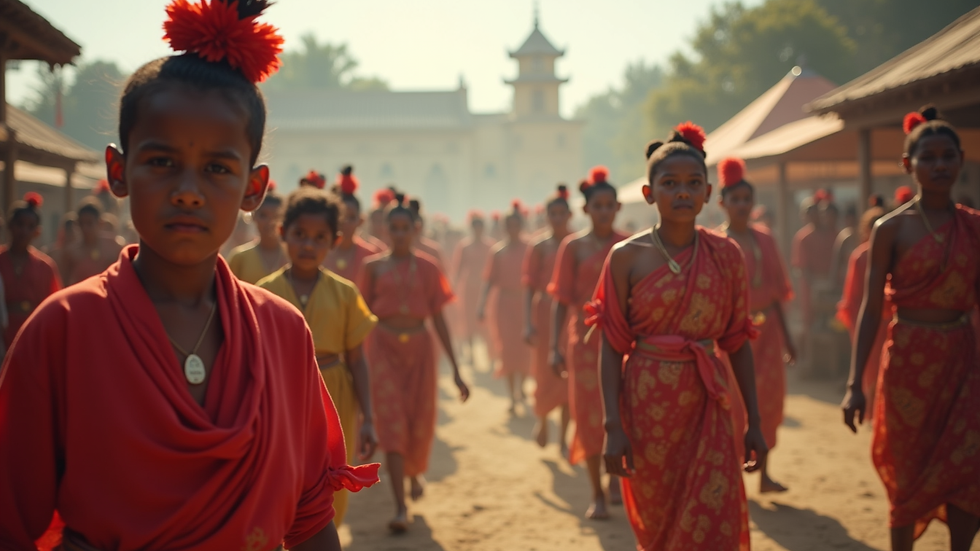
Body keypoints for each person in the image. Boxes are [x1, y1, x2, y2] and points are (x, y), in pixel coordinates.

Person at [0, 2, 380, 549]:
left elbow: (310, 518)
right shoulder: (62, 329)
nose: (187, 190)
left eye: (218, 169)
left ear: (254, 187)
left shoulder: (282, 332)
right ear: (117, 171)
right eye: (160, 161)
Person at [593, 123, 767, 551]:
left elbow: (737, 342)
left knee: (713, 515)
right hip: (648, 408)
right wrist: (613, 427)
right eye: (669, 183)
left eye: (693, 183)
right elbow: (612, 346)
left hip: (709, 403)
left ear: (709, 193)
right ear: (649, 193)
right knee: (660, 522)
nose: (682, 192)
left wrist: (755, 423)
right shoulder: (625, 258)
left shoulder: (726, 255)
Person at [842, 106, 980, 551]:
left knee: (969, 468)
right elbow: (869, 309)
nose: (939, 165)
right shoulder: (890, 230)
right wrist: (853, 384)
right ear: (909, 165)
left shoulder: (975, 228)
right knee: (906, 470)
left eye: (948, 156)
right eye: (928, 157)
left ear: (961, 160)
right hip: (907, 363)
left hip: (964, 362)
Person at [258, 187, 379, 527]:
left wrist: (368, 417)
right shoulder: (263, 292)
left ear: (335, 240)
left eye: (319, 238)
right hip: (280, 396)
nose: (308, 245)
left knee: (330, 482)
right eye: (299, 235)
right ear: (283, 233)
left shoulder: (344, 292)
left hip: (336, 396)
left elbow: (357, 359)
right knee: (281, 479)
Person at [359, 196, 470, 533]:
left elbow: (439, 318)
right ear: (385, 230)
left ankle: (413, 473)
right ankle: (400, 505)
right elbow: (361, 317)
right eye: (393, 228)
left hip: (421, 349)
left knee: (419, 420)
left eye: (405, 228)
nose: (399, 234)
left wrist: (457, 370)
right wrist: (356, 365)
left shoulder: (428, 267)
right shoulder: (373, 268)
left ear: (416, 229)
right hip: (383, 350)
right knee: (391, 424)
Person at [549, 166, 627, 520]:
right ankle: (596, 491)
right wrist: (554, 346)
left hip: (623, 344)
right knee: (589, 417)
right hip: (582, 346)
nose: (604, 211)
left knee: (621, 414)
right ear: (586, 209)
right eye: (598, 205)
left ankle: (616, 481)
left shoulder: (628, 247)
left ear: (617, 208)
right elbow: (561, 300)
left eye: (610, 205)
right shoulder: (573, 247)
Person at [717, 157, 795, 494]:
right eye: (735, 200)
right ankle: (734, 473)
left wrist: (789, 338)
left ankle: (764, 474)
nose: (742, 206)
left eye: (747, 199)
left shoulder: (766, 238)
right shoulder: (716, 243)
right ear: (722, 203)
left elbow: (778, 289)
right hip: (733, 336)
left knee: (769, 401)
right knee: (734, 401)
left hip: (769, 331)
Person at [523, 185, 572, 452]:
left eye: (561, 213)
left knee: (568, 375)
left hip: (569, 316)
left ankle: (563, 435)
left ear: (570, 214)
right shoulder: (539, 246)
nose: (557, 218)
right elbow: (529, 286)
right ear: (546, 216)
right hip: (544, 315)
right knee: (544, 372)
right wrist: (528, 322)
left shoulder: (576, 244)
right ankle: (542, 421)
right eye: (552, 213)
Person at [478, 201, 531, 413]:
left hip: (525, 304)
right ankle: (512, 396)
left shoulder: (530, 249)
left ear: (521, 225)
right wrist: (481, 305)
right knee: (508, 350)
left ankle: (523, 386)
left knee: (525, 349)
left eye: (516, 224)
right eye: (509, 225)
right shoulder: (498, 252)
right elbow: (489, 280)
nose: (513, 229)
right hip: (504, 306)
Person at [836, 206, 888, 418]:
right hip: (868, 321)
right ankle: (874, 413)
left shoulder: (896, 253)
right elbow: (853, 296)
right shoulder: (860, 256)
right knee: (870, 367)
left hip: (891, 324)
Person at [0, 193, 62, 351]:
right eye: (19, 224)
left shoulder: (45, 266)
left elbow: (54, 307)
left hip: (33, 332)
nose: (24, 230)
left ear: (37, 232)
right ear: (10, 225)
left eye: (30, 226)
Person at [324, 166, 381, 288]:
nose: (345, 224)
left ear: (360, 221)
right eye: (341, 217)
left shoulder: (372, 255)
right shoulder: (321, 253)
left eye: (351, 218)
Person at [452, 210, 493, 364]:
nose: (477, 230)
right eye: (475, 227)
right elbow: (458, 269)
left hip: (484, 289)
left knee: (486, 322)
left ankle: (490, 354)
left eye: (480, 227)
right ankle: (471, 354)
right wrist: (454, 289)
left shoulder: (490, 246)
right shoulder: (464, 246)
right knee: (468, 321)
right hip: (468, 289)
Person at [227, 188, 287, 284]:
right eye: (263, 215)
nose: (270, 222)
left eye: (276, 216)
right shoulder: (239, 258)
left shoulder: (292, 256)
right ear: (254, 217)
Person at [63, 198, 124, 285]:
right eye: (81, 223)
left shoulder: (114, 246)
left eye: (89, 223)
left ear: (100, 223)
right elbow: (64, 283)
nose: (85, 228)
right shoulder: (71, 252)